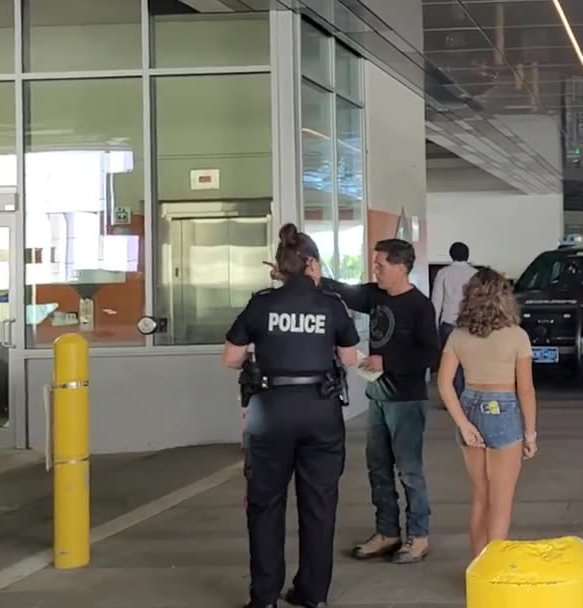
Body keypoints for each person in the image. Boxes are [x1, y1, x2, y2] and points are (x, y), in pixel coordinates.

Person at [225, 223, 360, 608]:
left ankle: (265, 596)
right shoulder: (330, 304)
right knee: (319, 505)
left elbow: (230, 357)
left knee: (265, 505)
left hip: (270, 413)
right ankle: (312, 594)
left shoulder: (262, 303)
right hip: (321, 412)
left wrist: (261, 358)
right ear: (312, 264)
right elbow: (350, 358)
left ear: (280, 266)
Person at [317, 240, 440, 565]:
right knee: (378, 469)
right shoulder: (375, 295)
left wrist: (387, 362)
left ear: (401, 267)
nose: (376, 270)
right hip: (378, 397)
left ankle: (418, 535)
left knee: (409, 471)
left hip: (406, 400)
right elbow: (344, 290)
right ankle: (387, 532)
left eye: (381, 265)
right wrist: (307, 275)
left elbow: (430, 353)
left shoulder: (419, 306)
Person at [436, 268, 539, 559]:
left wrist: (464, 424)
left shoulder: (457, 335)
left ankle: (476, 570)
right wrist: (530, 433)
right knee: (501, 500)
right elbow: (526, 389)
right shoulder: (517, 336)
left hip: (469, 406)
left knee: (480, 496)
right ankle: (493, 573)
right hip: (503, 409)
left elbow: (444, 384)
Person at [432, 241, 477, 397]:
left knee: (450, 364)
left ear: (451, 255)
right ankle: (467, 395)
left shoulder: (443, 273)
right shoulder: (475, 274)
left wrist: (433, 325)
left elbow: (436, 301)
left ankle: (453, 397)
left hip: (448, 325)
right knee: (469, 363)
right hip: (470, 324)